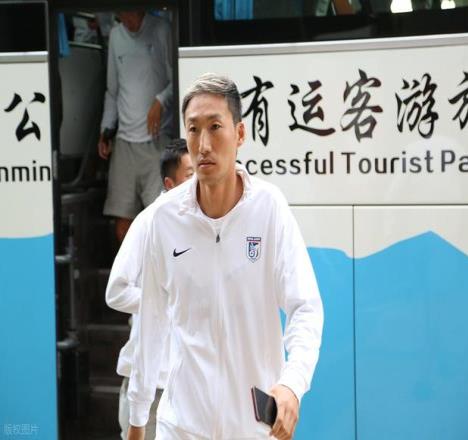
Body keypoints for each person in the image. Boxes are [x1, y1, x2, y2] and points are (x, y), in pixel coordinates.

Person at [127, 73, 323, 440]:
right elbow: (151, 322)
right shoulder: (164, 218)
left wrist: (293, 384)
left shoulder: (269, 208)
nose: (203, 145)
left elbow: (305, 307)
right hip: (181, 427)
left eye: (215, 127)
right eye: (193, 129)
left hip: (252, 429)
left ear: (240, 134)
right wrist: (137, 421)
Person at [106, 140, 193, 440]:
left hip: (188, 382)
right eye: (189, 175)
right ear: (169, 184)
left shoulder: (202, 223)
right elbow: (116, 291)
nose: (199, 180)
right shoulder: (148, 222)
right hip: (151, 384)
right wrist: (161, 300)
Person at [98, 10, 173, 242]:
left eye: (130, 14)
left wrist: (160, 101)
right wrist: (106, 130)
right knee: (123, 225)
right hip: (124, 142)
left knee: (160, 219)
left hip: (157, 140)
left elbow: (178, 78)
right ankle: (129, 267)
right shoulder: (116, 36)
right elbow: (112, 91)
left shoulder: (161, 29)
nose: (127, 21)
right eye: (121, 15)